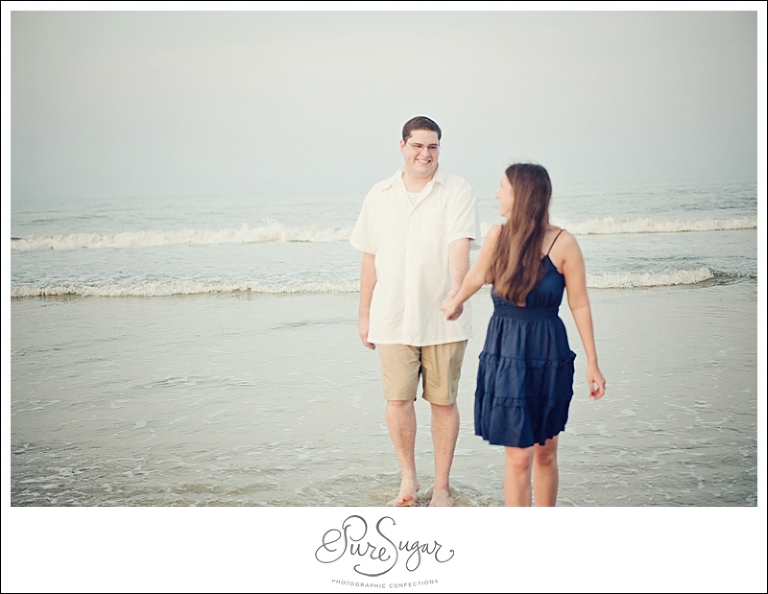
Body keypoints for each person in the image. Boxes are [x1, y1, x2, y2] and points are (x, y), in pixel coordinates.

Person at [441, 163, 606, 506]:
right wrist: (456, 301)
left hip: (548, 350)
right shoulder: (498, 236)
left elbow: (579, 304)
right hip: (505, 350)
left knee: (545, 451)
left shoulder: (563, 243)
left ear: (523, 195)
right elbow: (477, 275)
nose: (497, 194)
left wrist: (593, 362)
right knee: (518, 456)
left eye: (503, 187)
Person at [350, 116, 479, 507]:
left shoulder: (457, 190)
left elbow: (460, 245)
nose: (426, 153)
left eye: (433, 146)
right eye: (419, 145)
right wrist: (364, 315)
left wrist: (458, 291)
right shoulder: (379, 195)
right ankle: (409, 480)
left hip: (444, 318)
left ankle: (441, 486)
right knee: (398, 401)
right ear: (403, 146)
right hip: (392, 317)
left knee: (443, 402)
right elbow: (370, 258)